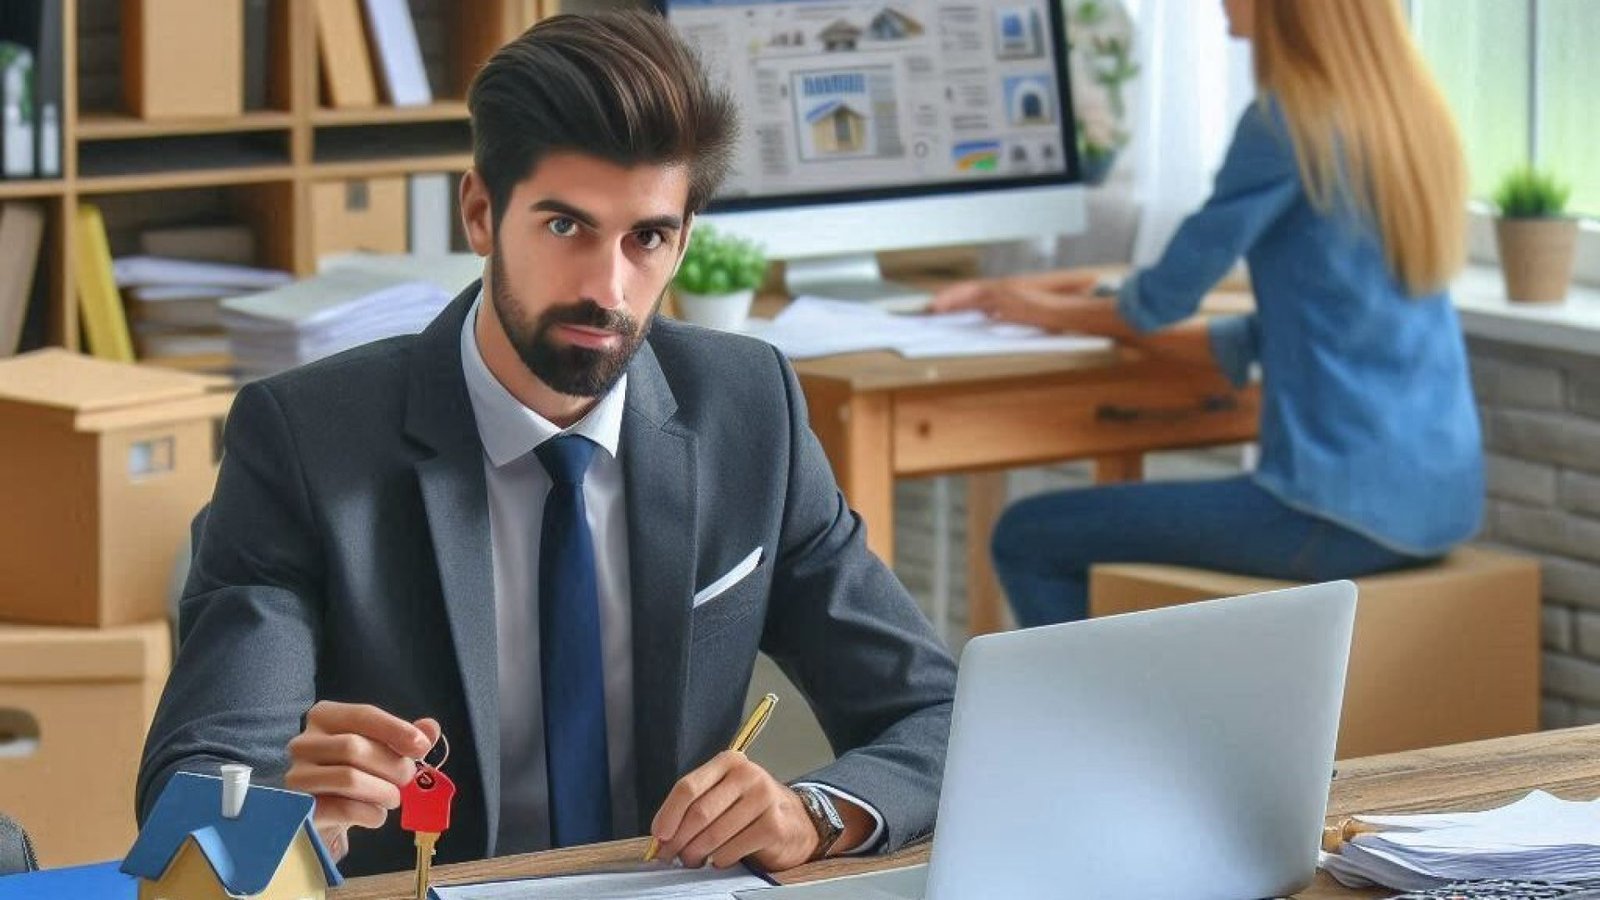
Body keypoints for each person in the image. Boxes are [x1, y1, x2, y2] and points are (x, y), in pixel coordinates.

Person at [137, 11, 956, 878]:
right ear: (482, 212)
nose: (607, 289)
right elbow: (198, 778)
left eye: (647, 237)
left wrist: (811, 815)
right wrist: (291, 819)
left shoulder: (751, 410)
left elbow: (938, 715)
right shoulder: (305, 439)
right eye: (565, 227)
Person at [933, 0, 1482, 627]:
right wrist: (1060, 301)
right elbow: (1287, 333)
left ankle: (1099, 724)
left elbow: (1160, 301)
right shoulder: (1407, 121)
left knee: (1027, 536)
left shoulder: (1287, 125)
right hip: (1436, 505)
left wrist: (1030, 307)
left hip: (1334, 511)